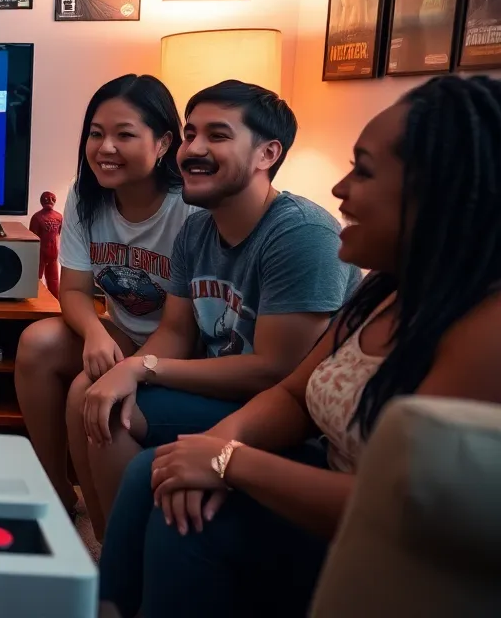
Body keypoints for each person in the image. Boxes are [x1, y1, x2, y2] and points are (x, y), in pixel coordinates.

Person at [98, 74, 501, 618]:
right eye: (190, 132)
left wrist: (226, 461)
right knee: (155, 471)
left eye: (365, 170)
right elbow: (293, 393)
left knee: (186, 525)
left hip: (381, 541)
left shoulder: (485, 328)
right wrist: (212, 447)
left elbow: (405, 509)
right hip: (313, 463)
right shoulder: (385, 289)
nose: (340, 188)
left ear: (440, 191)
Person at [66, 80, 361, 532]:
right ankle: (111, 553)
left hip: (286, 417)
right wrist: (127, 370)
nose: (193, 149)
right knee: (97, 395)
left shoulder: (301, 234)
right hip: (219, 392)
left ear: (268, 154)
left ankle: (125, 562)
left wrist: (141, 368)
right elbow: (178, 332)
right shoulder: (198, 228)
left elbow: (275, 371)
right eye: (189, 134)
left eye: (217, 136)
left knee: (113, 411)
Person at [14, 74, 196, 519]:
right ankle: (55, 488)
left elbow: (183, 327)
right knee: (35, 343)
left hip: (180, 346)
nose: (105, 147)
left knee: (85, 389)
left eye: (124, 134)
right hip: (122, 332)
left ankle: (103, 531)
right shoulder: (84, 196)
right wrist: (95, 332)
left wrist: (129, 365)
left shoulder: (188, 208)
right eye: (96, 134)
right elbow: (73, 289)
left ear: (163, 143)